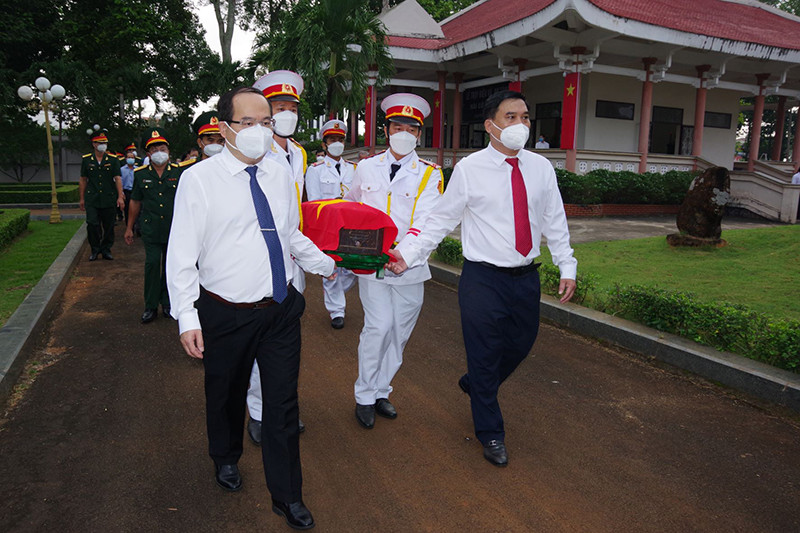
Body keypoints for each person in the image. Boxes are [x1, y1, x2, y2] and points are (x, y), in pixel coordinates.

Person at [166, 86, 334, 530]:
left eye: (267, 122)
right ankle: (224, 456)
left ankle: (287, 496)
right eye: (248, 122)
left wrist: (325, 263)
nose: (260, 131)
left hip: (279, 309)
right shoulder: (198, 181)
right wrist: (187, 317)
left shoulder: (280, 172)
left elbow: (288, 232)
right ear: (224, 128)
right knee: (225, 394)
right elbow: (181, 254)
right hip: (225, 312)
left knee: (282, 404)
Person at [388, 90, 577, 467]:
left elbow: (554, 219)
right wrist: (407, 255)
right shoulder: (470, 169)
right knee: (485, 351)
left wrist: (566, 264)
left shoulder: (541, 168)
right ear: (490, 126)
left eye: (525, 117)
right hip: (482, 279)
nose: (520, 125)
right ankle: (490, 432)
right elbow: (441, 219)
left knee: (521, 343)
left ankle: (476, 384)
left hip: (526, 278)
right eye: (511, 117)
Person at [343, 93, 444, 429]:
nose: (403, 132)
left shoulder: (430, 174)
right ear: (387, 130)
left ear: (419, 134)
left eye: (411, 128)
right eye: (397, 125)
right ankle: (363, 394)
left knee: (399, 333)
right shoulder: (366, 167)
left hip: (410, 267)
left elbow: (429, 221)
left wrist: (405, 255)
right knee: (378, 327)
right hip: (373, 264)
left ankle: (381, 389)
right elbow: (351, 207)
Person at [248, 70, 308, 443]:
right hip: (260, 261)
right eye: (278, 108)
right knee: (258, 340)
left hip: (293, 260)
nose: (286, 114)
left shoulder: (298, 152)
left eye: (291, 108)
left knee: (287, 342)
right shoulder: (253, 151)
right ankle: (257, 410)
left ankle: (282, 406)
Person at [304, 119, 357, 329]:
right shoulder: (315, 170)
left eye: (340, 139)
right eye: (332, 139)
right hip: (328, 227)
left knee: (352, 270)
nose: (337, 143)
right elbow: (315, 202)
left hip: (352, 227)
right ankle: (337, 311)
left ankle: (334, 294)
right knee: (332, 268)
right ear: (324, 144)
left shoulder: (354, 168)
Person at [125, 129, 181, 324]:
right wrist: (129, 227)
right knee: (151, 265)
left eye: (162, 148)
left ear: (168, 151)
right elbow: (135, 202)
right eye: (154, 148)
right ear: (148, 154)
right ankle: (150, 306)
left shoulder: (179, 172)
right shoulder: (141, 175)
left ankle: (167, 303)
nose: (159, 151)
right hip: (150, 229)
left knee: (170, 267)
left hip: (173, 229)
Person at [79, 129, 125, 261]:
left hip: (108, 198)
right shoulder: (87, 160)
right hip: (92, 198)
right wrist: (82, 198)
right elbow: (83, 179)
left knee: (109, 225)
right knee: (92, 224)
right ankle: (95, 248)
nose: (103, 145)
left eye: (105, 142)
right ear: (94, 144)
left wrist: (120, 196)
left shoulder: (113, 159)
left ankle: (106, 249)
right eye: (100, 142)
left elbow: (117, 178)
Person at [120, 145, 137, 226]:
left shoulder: (137, 170)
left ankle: (137, 228)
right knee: (127, 211)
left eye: (132, 157)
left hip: (135, 191)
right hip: (127, 192)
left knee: (137, 210)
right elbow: (120, 182)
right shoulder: (122, 170)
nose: (131, 159)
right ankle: (129, 227)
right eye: (129, 157)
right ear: (126, 159)